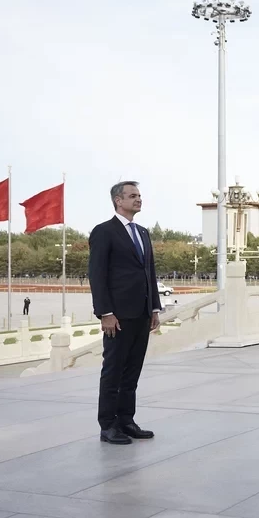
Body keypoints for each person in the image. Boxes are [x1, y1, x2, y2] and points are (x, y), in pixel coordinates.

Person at [88, 181, 162, 445]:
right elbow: (96, 275)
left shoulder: (142, 232)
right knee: (114, 371)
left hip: (142, 313)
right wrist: (105, 312)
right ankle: (108, 425)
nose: (138, 199)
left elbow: (149, 272)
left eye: (140, 195)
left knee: (132, 372)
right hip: (117, 316)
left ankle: (126, 421)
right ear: (118, 201)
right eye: (133, 196)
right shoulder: (104, 232)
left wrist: (154, 307)